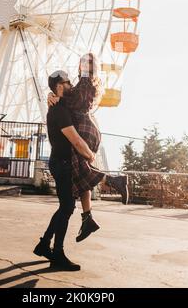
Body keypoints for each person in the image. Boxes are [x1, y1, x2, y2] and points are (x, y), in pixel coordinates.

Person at [48, 53, 129, 243]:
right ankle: (87, 218)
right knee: (82, 174)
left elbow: (72, 101)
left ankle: (115, 181)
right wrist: (53, 95)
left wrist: (54, 95)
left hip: (84, 130)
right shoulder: (89, 83)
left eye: (85, 63)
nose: (82, 65)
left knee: (80, 169)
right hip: (89, 127)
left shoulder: (85, 84)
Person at [33, 70, 96, 271]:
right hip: (63, 164)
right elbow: (75, 139)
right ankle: (57, 254)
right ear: (59, 86)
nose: (71, 86)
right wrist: (89, 154)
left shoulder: (61, 106)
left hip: (62, 163)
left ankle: (44, 244)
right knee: (67, 207)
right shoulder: (58, 110)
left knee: (65, 207)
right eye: (68, 83)